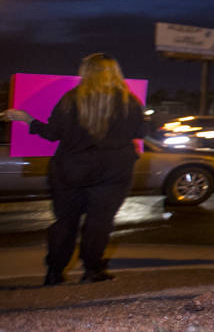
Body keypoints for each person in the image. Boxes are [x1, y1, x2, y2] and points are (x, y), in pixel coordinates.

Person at [4, 53, 148, 285]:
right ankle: (92, 270)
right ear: (115, 73)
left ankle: (54, 272)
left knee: (65, 222)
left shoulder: (71, 99)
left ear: (86, 72)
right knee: (99, 223)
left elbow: (52, 133)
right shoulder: (129, 101)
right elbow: (141, 132)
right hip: (113, 172)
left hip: (70, 171)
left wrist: (27, 119)